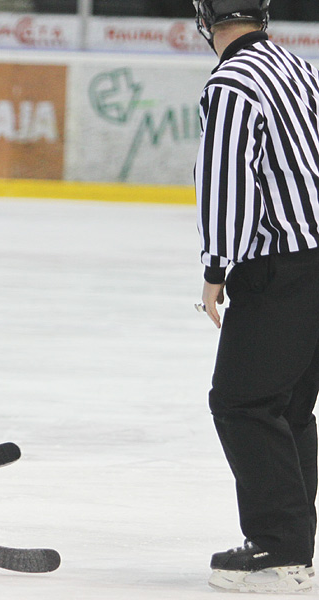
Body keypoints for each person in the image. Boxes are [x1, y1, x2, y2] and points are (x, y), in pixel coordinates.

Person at [193, 0, 319, 593]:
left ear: (206, 18)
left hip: (281, 269)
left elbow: (229, 181)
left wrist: (216, 266)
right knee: (288, 407)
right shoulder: (300, 67)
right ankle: (293, 545)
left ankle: (279, 549)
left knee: (242, 403)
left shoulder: (232, 83)